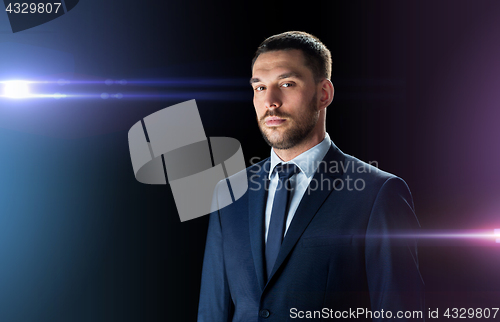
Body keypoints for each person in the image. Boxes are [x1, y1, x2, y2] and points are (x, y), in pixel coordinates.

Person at [198, 31, 424, 321]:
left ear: (324, 94)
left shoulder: (377, 193)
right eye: (260, 88)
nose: (271, 101)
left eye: (287, 84)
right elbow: (212, 311)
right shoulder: (228, 191)